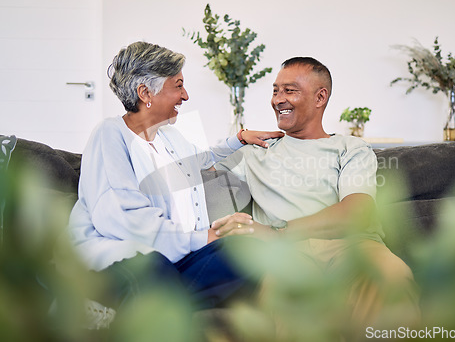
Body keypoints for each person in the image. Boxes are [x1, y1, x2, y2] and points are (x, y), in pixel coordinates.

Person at [65, 41, 283, 312]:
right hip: (126, 256)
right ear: (146, 92)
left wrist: (240, 138)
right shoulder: (110, 134)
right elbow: (124, 220)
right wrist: (203, 237)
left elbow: (203, 159)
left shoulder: (168, 136)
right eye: (178, 86)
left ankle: (168, 310)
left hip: (178, 255)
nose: (186, 96)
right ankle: (161, 308)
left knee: (247, 252)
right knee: (155, 269)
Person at [212, 57, 420, 335]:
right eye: (275, 91)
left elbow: (355, 212)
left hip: (355, 246)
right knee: (285, 291)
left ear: (320, 96)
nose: (278, 100)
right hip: (289, 255)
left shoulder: (351, 147)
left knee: (393, 277)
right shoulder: (256, 150)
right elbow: (188, 169)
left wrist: (277, 232)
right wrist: (237, 138)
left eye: (289, 90)